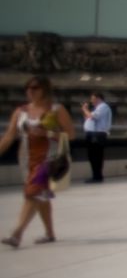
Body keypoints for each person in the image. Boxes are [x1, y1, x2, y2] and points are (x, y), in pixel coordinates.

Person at [0, 76, 74, 248]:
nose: (30, 91)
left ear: (45, 90)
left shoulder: (56, 110)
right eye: (28, 88)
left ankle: (17, 233)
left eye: (35, 88)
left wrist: (47, 134)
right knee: (41, 196)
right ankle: (50, 233)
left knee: (32, 192)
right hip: (26, 159)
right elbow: (9, 136)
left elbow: (70, 134)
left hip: (49, 158)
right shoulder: (21, 112)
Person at [80, 91, 112, 184]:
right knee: (92, 156)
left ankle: (97, 176)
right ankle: (95, 175)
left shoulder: (103, 107)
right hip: (92, 133)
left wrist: (85, 109)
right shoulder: (97, 108)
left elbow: (94, 117)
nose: (92, 101)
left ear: (98, 98)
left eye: (93, 99)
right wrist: (85, 111)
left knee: (96, 156)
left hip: (97, 134)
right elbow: (89, 117)